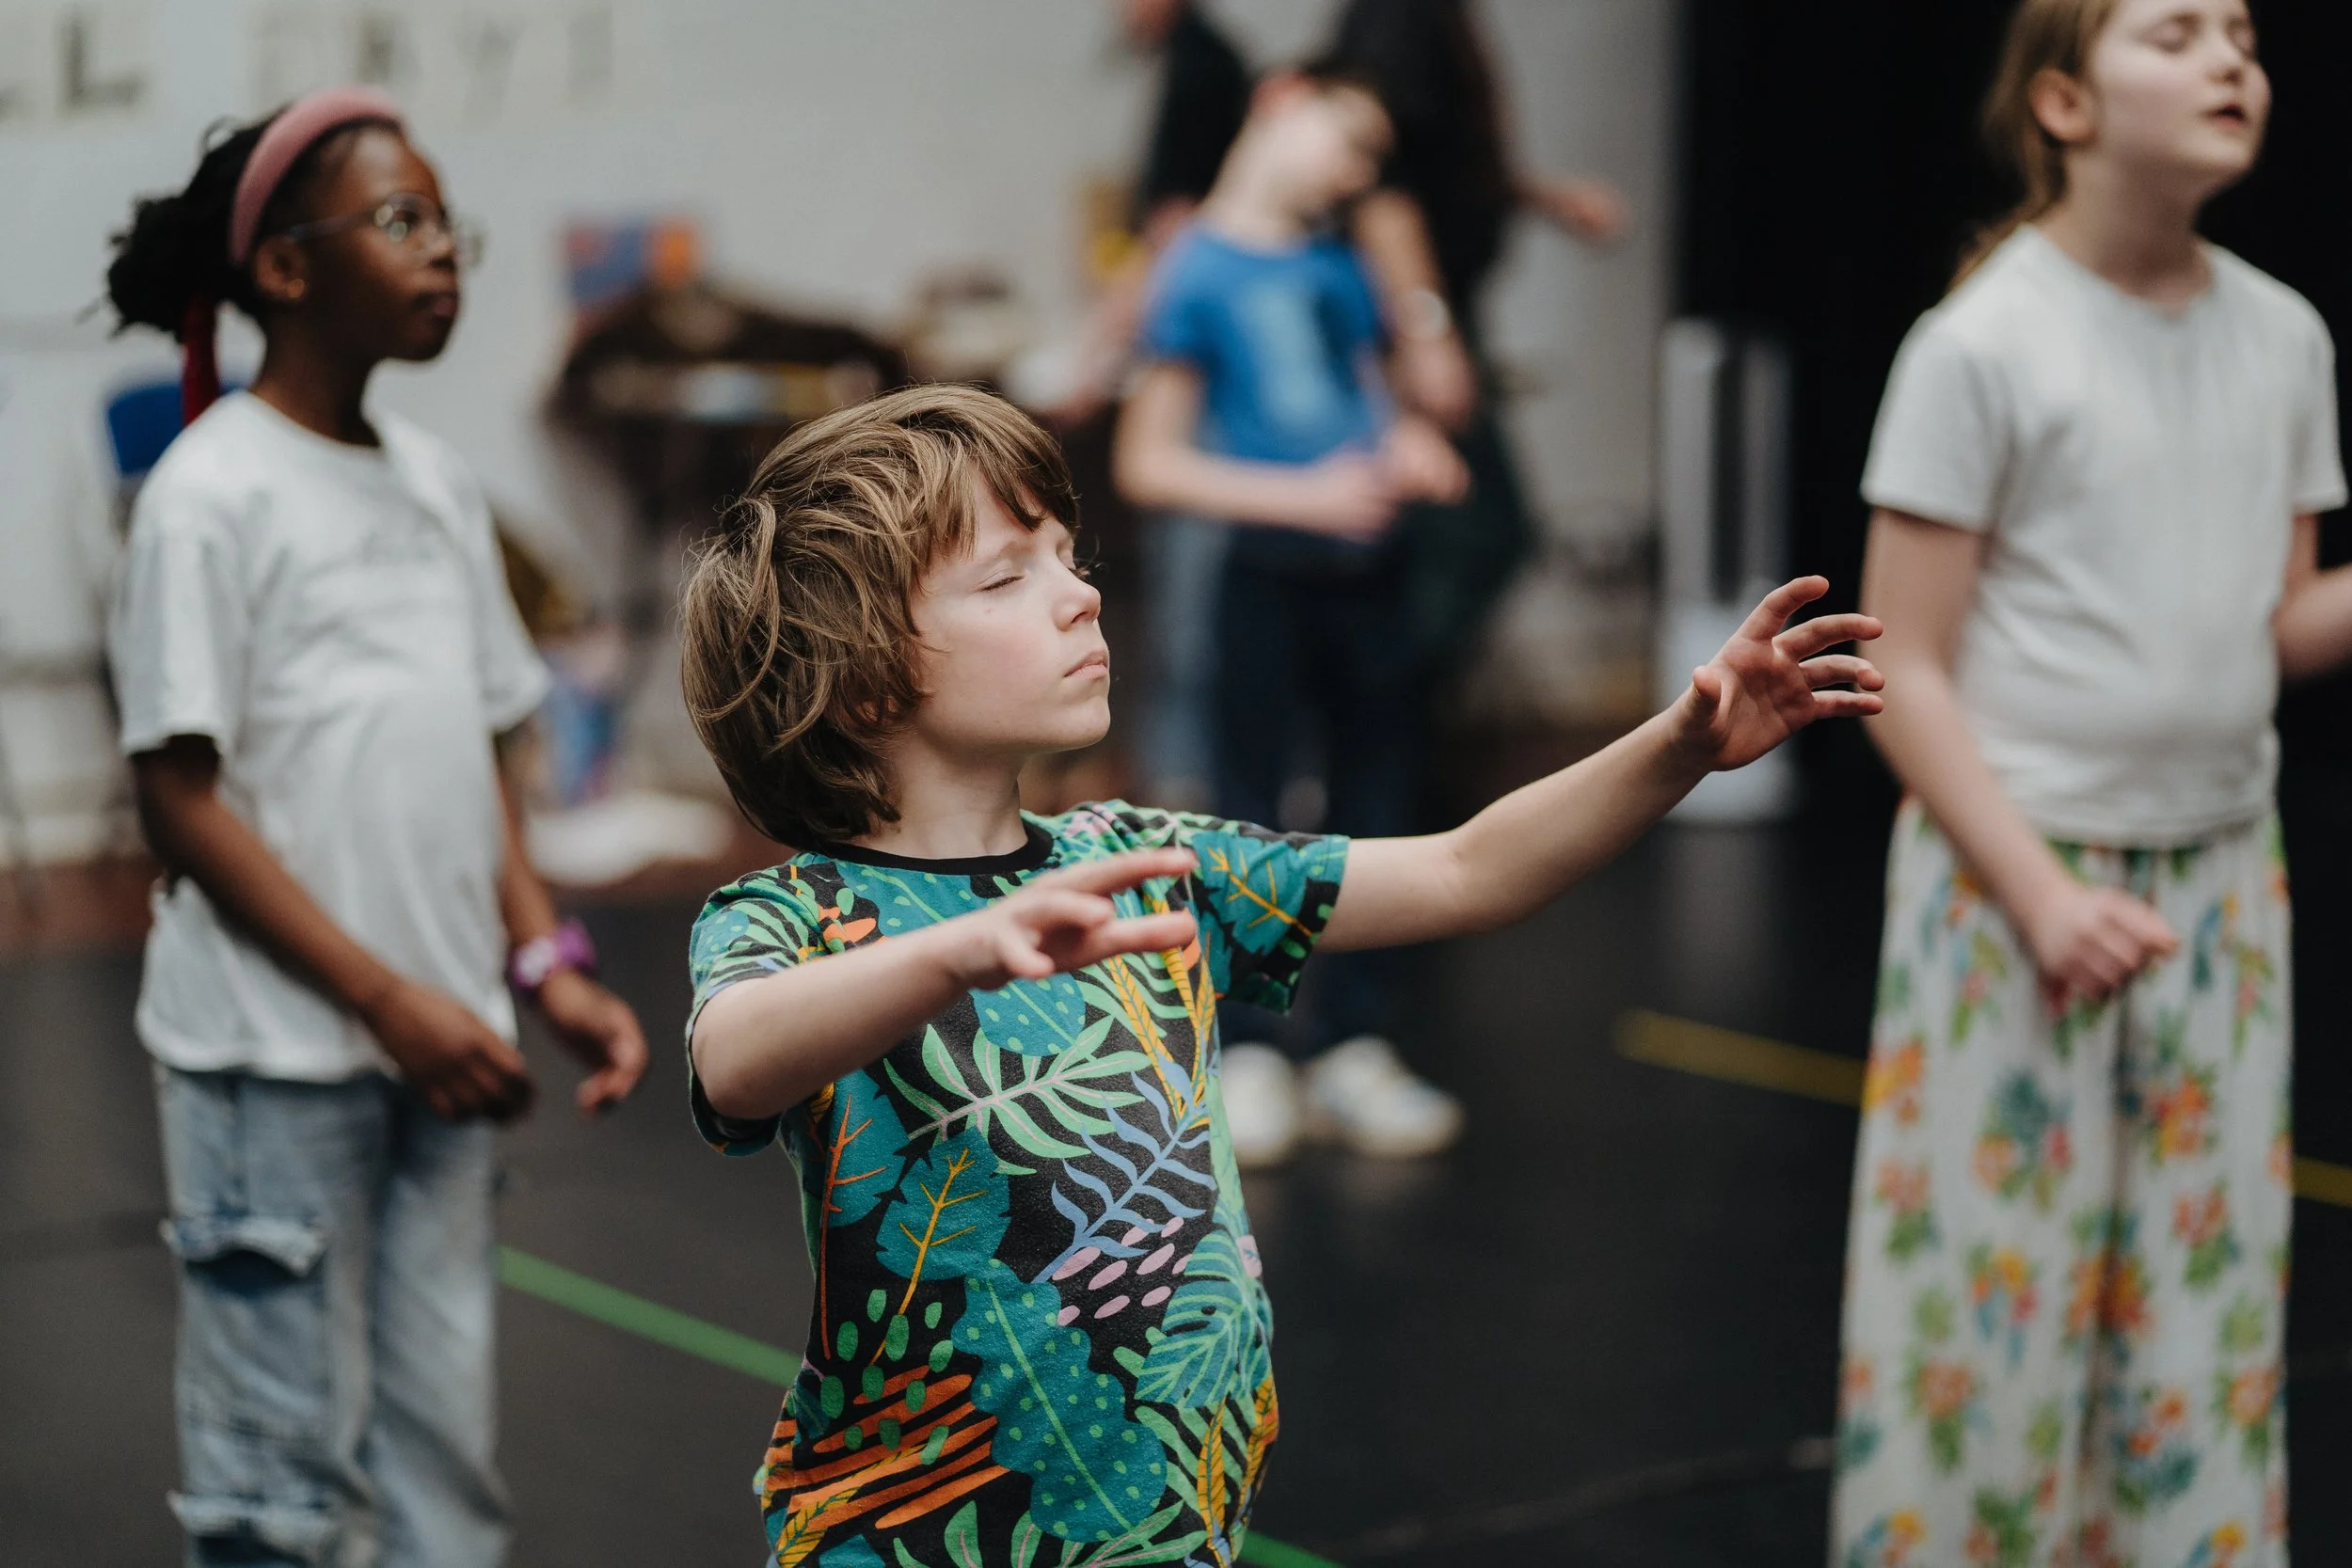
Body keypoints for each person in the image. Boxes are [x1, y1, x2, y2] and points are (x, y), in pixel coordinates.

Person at [675, 381, 1883, 1566]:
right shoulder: (796, 915)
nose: (1079, 597)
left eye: (1067, 556)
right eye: (1007, 577)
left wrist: (1675, 745)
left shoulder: (1144, 862)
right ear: (870, 673)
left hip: (1170, 1533)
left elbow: (1467, 871)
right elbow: (735, 1053)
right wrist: (947, 953)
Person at [1831, 3, 2352, 1562]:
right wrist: (2047, 894)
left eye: (2244, 34)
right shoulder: (1982, 340)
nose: (2229, 61)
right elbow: (1902, 666)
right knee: (1985, 1305)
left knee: (2202, 1302)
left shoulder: (2286, 334)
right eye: (2176, 30)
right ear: (2061, 99)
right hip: (2011, 884)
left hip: (2217, 883)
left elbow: (2271, 628)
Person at [103, 88, 648, 1567]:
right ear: (283, 268)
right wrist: (388, 1000)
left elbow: (485, 749)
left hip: (443, 1049)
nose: (446, 253)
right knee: (285, 1483)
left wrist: (543, 966)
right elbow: (178, 798)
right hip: (277, 1061)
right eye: (401, 220)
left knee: (444, 1461)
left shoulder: (433, 489)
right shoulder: (211, 494)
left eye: (448, 224)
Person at [1111, 59, 1473, 1166]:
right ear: (1283, 103)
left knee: (1376, 804)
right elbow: (1148, 463)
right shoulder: (1195, 272)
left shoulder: (1338, 264)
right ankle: (1255, 1047)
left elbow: (1392, 392)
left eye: (1373, 157)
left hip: (1366, 576)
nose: (1356, 171)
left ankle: (1355, 1042)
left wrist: (1403, 441)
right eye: (1347, 140)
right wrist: (1300, 495)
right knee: (1247, 812)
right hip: (1264, 575)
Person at [1327, 0, 1629, 676]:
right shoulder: (1396, 18)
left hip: (1433, 311)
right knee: (1478, 538)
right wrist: (1426, 330)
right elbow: (1381, 184)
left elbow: (1440, 163)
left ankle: (1378, 731)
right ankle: (1364, 721)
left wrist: (1543, 198)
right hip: (1411, 317)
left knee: (1453, 541)